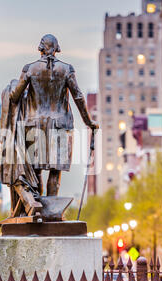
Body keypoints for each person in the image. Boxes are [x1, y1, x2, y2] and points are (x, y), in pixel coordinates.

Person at [9, 34, 98, 196]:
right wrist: (88, 121)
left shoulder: (29, 68)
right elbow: (78, 96)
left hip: (33, 124)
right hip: (60, 124)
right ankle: (52, 211)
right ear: (57, 48)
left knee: (35, 171)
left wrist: (13, 89)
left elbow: (15, 97)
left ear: (40, 48)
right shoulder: (66, 69)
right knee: (55, 170)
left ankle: (39, 209)